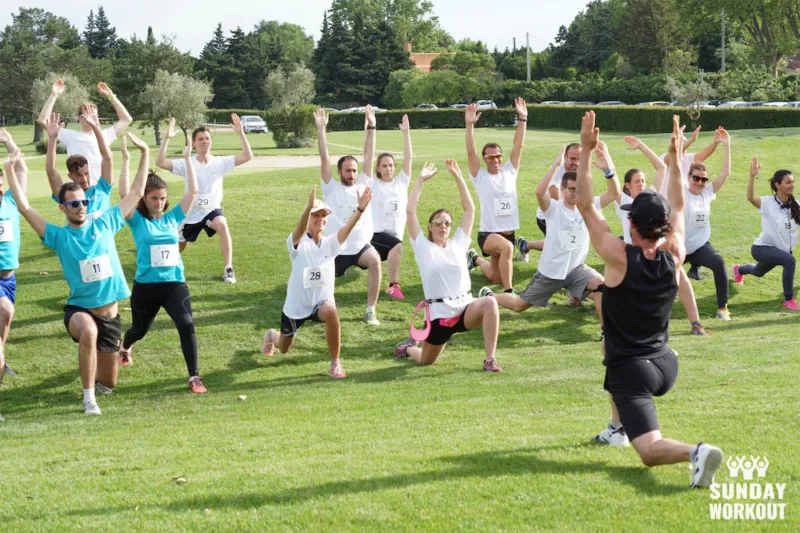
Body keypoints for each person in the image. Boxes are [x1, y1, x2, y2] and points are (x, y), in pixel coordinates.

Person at [579, 112, 722, 488]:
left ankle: (697, 452)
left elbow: (584, 205)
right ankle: (615, 428)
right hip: (665, 363)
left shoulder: (617, 257)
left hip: (635, 370)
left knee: (649, 451)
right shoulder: (676, 253)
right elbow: (678, 205)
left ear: (632, 224)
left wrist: (585, 149)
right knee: (613, 367)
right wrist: (676, 156)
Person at [6, 118, 147, 416]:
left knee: (108, 382)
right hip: (79, 311)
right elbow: (25, 207)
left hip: (110, 314)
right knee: (88, 332)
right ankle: (88, 399)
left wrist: (144, 154)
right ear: (63, 208)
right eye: (73, 204)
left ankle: (97, 376)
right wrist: (9, 170)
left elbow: (135, 194)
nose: (80, 206)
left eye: (83, 202)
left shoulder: (106, 221)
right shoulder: (57, 236)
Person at [484, 145, 620, 323]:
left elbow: (614, 193)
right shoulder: (553, 209)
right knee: (519, 305)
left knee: (602, 287)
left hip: (575, 269)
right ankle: (490, 296)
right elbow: (540, 192)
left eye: (578, 189)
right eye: (571, 189)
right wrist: (556, 165)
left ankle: (606, 332)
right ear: (562, 190)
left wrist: (608, 170)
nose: (575, 194)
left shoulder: (589, 206)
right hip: (551, 272)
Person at [117, 129, 207, 392]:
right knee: (139, 329)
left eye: (163, 198)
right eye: (154, 198)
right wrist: (126, 158)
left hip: (174, 284)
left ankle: (194, 376)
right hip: (146, 286)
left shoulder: (171, 218)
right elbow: (125, 193)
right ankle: (126, 346)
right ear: (145, 198)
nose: (159, 202)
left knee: (187, 324)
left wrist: (187, 158)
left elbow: (194, 190)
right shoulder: (136, 220)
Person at [394, 161, 502, 372]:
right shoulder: (423, 247)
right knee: (426, 361)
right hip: (440, 314)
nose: (443, 226)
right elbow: (409, 211)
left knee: (490, 303)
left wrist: (459, 178)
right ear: (430, 227)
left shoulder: (459, 244)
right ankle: (408, 348)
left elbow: (470, 210)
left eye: (447, 223)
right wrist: (420, 180)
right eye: (438, 222)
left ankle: (490, 360)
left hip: (465, 307)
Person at [261, 185, 372, 379]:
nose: (320, 219)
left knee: (331, 312)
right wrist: (308, 208)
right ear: (309, 218)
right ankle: (271, 335)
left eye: (323, 216)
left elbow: (347, 228)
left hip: (321, 303)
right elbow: (299, 228)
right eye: (316, 215)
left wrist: (360, 209)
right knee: (285, 347)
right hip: (296, 307)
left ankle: (335, 363)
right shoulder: (297, 242)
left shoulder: (330, 243)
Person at [617, 136, 708, 335]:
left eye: (642, 180)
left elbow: (661, 168)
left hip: (648, 252)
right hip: (639, 253)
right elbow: (676, 203)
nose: (641, 183)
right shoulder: (623, 198)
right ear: (627, 186)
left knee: (680, 277)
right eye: (636, 181)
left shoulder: (649, 195)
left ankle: (695, 323)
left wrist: (642, 146)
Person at [155, 115, 253, 284]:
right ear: (194, 143)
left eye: (207, 138)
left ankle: (228, 269)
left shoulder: (220, 162)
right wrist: (167, 138)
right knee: (179, 245)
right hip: (190, 213)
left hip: (211, 211)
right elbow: (160, 162)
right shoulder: (187, 162)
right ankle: (162, 266)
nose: (205, 141)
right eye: (200, 139)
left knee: (222, 226)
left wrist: (241, 134)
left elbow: (247, 156)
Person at [315, 106, 383, 325]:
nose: (352, 174)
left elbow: (369, 155)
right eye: (347, 171)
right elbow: (324, 158)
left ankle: (370, 310)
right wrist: (321, 130)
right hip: (335, 249)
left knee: (375, 262)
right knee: (317, 283)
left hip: (361, 246)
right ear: (339, 172)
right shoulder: (331, 188)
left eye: (354, 170)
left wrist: (371, 126)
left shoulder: (364, 184)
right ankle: (321, 306)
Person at [465, 98, 528, 293]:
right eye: (490, 157)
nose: (495, 160)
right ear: (484, 159)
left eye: (498, 156)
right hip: (489, 235)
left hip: (508, 234)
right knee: (508, 249)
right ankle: (509, 292)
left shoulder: (510, 171)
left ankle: (474, 258)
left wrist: (522, 119)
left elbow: (518, 146)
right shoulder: (480, 176)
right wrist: (469, 125)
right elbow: (470, 152)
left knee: (495, 277)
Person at [37, 79, 132, 186]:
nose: (92, 118)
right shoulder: (71, 136)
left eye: (95, 115)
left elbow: (126, 119)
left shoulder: (104, 135)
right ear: (80, 118)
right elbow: (43, 120)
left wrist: (111, 96)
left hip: (100, 189)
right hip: (79, 190)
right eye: (88, 114)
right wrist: (54, 95)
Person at [733, 160, 800, 310]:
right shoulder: (767, 203)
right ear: (778, 185)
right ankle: (788, 300)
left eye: (793, 182)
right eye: (788, 182)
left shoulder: (797, 205)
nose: (792, 185)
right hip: (762, 248)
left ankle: (739, 269)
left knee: (758, 272)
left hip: (779, 251)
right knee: (789, 260)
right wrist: (752, 177)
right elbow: (750, 198)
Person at [658, 126, 722, 281]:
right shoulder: (666, 157)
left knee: (695, 226)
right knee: (667, 239)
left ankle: (694, 267)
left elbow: (704, 154)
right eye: (681, 144)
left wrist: (715, 143)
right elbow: (676, 154)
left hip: (681, 204)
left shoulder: (688, 159)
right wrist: (689, 140)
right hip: (665, 205)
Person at [682, 128, 732, 320]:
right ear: (689, 177)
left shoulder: (707, 193)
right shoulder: (680, 193)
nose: (700, 182)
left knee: (718, 262)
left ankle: (722, 308)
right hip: (678, 247)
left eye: (703, 179)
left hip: (700, 246)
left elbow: (725, 173)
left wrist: (726, 144)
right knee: (661, 276)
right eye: (696, 178)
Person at [0, 130, 27, 420]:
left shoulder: (11, 202)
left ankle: (1, 358)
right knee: (5, 311)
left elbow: (21, 167)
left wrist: (9, 141)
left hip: (9, 278)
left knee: (5, 316)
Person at [371, 114, 413, 300]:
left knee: (395, 246)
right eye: (384, 166)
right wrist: (370, 128)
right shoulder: (373, 184)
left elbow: (409, 158)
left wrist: (406, 133)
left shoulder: (401, 182)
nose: (389, 168)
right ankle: (393, 286)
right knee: (396, 246)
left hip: (393, 236)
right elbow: (366, 157)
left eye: (391, 165)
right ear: (378, 168)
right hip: (375, 234)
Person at [44, 111, 112, 220]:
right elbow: (51, 172)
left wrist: (96, 127)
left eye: (86, 173)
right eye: (79, 175)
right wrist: (52, 139)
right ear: (70, 176)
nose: (84, 179)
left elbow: (107, 158)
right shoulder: (67, 195)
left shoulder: (102, 189)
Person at [521, 143, 582, 254]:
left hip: (566, 215)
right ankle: (526, 245)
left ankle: (525, 245)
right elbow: (556, 196)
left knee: (564, 244)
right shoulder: (557, 170)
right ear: (565, 157)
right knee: (560, 246)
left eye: (579, 159)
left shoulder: (580, 172)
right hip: (547, 216)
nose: (576, 163)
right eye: (573, 158)